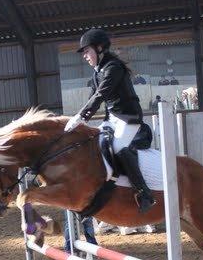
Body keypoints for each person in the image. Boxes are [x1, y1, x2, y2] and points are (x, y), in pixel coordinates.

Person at [64, 28, 155, 213]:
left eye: (87, 51)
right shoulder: (98, 72)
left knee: (120, 149)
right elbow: (92, 99)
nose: (85, 56)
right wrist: (79, 119)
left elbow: (100, 94)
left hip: (128, 119)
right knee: (94, 146)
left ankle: (145, 193)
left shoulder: (113, 68)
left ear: (99, 48)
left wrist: (80, 117)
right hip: (112, 119)